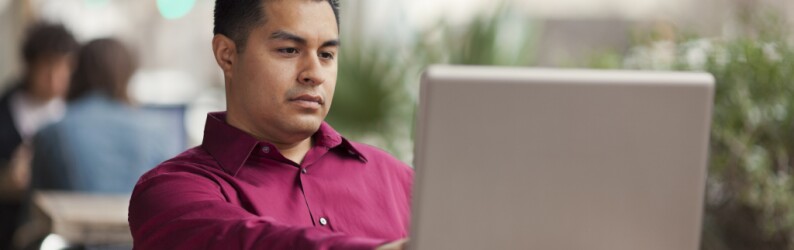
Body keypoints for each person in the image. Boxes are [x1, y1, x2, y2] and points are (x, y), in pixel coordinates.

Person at [128, 0, 412, 249]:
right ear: (227, 54)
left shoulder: (401, 182)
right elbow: (242, 242)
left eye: (326, 54)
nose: (315, 74)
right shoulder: (168, 193)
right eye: (289, 50)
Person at [30, 38, 182, 193]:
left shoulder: (52, 133)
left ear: (77, 73)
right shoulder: (162, 132)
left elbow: (34, 210)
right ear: (128, 74)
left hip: (77, 217)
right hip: (142, 216)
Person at [0, 22, 78, 250]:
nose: (55, 77)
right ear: (29, 65)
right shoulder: (4, 112)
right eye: (47, 66)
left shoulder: (75, 112)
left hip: (66, 228)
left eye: (64, 67)